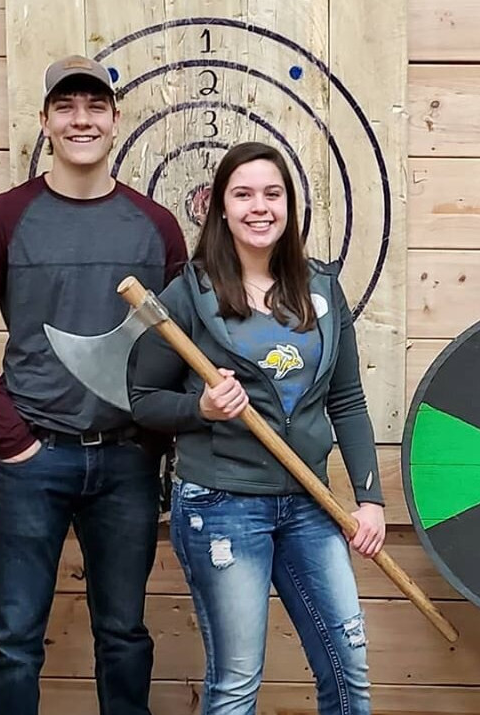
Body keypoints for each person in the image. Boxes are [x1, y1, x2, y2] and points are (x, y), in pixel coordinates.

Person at [0, 54, 187, 715]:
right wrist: (12, 439)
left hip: (125, 465)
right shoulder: (5, 219)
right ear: (45, 122)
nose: (80, 119)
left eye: (94, 107)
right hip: (32, 461)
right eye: (66, 107)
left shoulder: (156, 226)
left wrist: (150, 441)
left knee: (123, 637)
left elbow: (178, 346)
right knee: (13, 640)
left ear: (115, 121)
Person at [129, 141, 385, 715]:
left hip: (310, 503)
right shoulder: (189, 294)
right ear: (220, 207)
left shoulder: (321, 288)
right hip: (222, 504)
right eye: (242, 194)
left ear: (290, 206)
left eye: (272, 194)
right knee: (237, 684)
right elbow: (144, 400)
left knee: (350, 674)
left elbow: (347, 400)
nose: (259, 207)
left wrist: (369, 499)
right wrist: (203, 410)